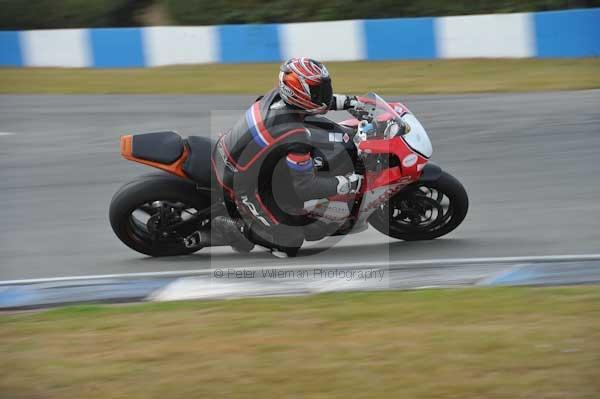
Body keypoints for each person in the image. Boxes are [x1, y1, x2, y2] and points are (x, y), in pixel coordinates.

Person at [211, 57, 362, 257]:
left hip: (241, 155)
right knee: (290, 241)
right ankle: (235, 227)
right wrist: (347, 184)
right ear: (299, 92)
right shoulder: (294, 134)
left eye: (325, 87)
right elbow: (305, 186)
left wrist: (349, 101)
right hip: (240, 182)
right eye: (318, 90)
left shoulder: (277, 95)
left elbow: (316, 103)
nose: (324, 93)